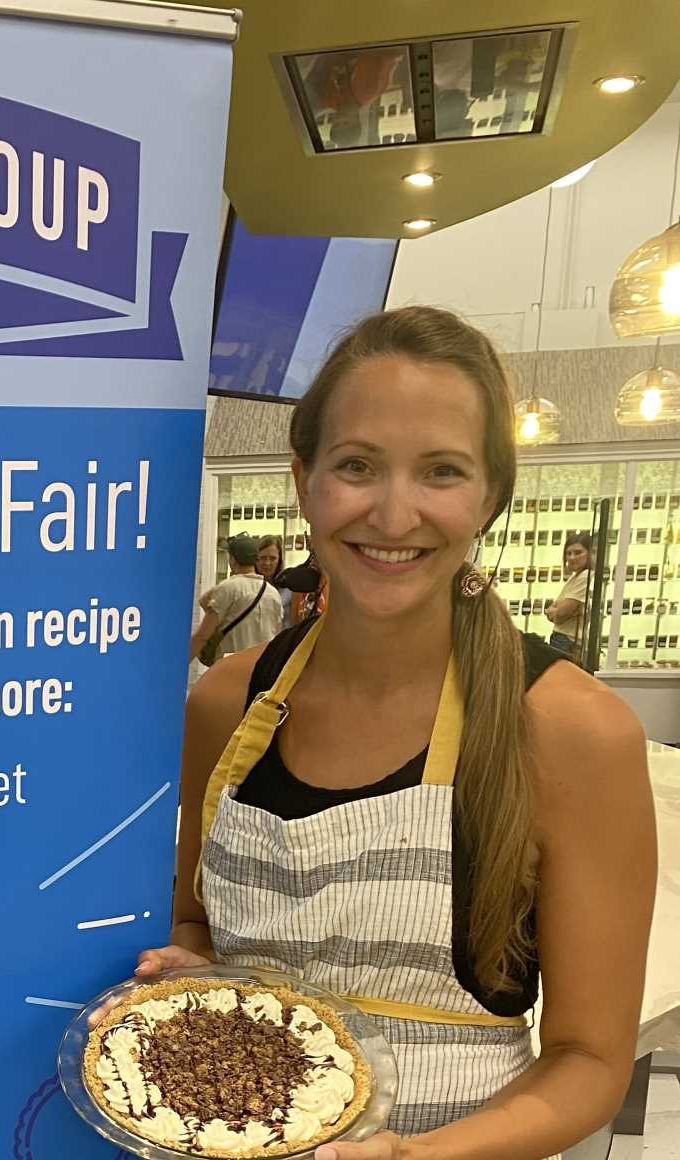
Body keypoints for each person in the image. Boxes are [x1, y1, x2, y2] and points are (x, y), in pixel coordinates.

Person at [138, 308, 655, 1158]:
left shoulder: (569, 731)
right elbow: (195, 925)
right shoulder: (229, 703)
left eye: (441, 472)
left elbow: (589, 1060)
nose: (392, 511)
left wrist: (413, 1156)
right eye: (357, 466)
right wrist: (193, 975)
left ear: (490, 495)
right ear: (304, 481)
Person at [189, 533, 284, 663]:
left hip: (231, 668)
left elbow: (202, 635)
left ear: (232, 560)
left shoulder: (227, 588)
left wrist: (179, 665)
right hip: (262, 669)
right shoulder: (273, 593)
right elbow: (276, 636)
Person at [544, 532, 593, 659]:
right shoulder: (575, 577)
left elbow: (561, 613)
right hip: (562, 639)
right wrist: (557, 610)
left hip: (567, 642)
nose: (571, 557)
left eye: (578, 552)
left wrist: (557, 610)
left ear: (590, 553)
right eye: (568, 553)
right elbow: (555, 613)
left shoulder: (585, 576)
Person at [256, 535, 293, 623]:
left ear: (279, 561)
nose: (267, 563)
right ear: (256, 559)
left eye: (273, 558)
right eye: (263, 558)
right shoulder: (247, 587)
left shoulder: (289, 589)